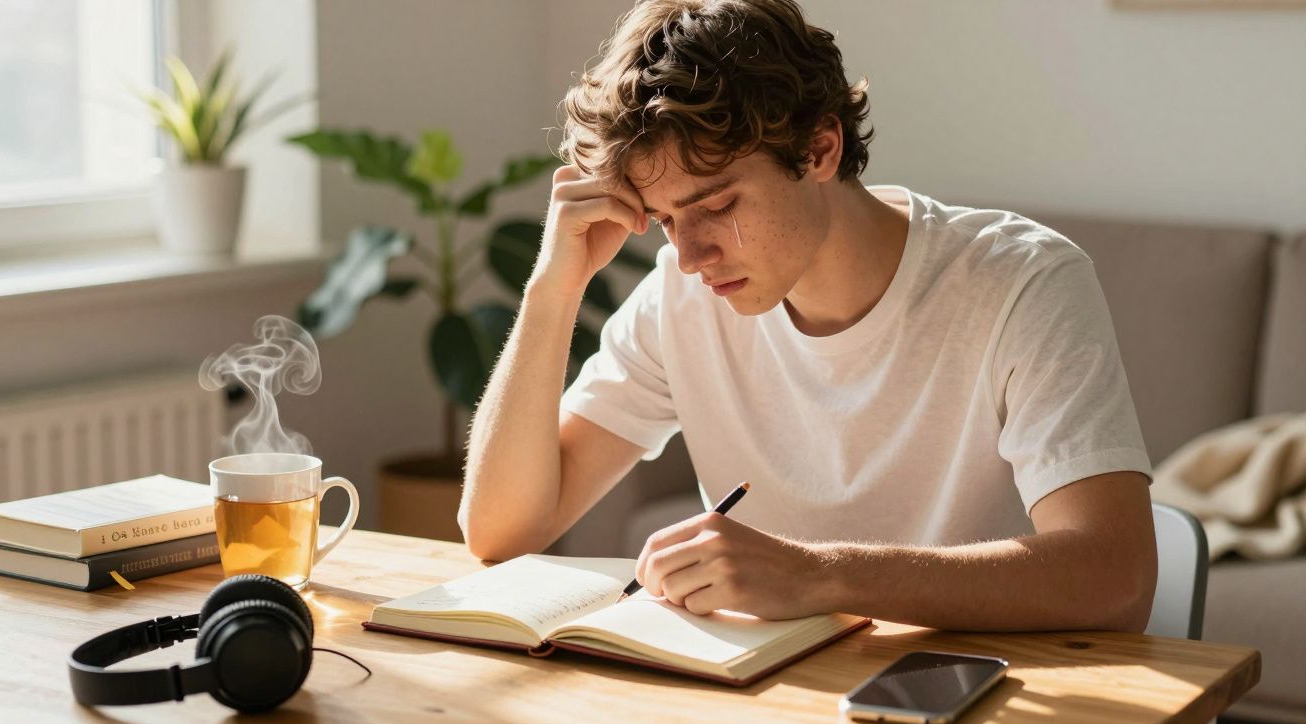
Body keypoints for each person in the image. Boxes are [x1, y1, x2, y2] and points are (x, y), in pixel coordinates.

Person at [459, 0, 1158, 632]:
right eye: (666, 219)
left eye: (718, 205)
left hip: (976, 691)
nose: (692, 254)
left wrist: (818, 575)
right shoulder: (681, 295)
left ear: (819, 149)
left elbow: (1115, 575)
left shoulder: (1021, 282)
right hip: (772, 693)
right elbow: (499, 531)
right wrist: (553, 288)